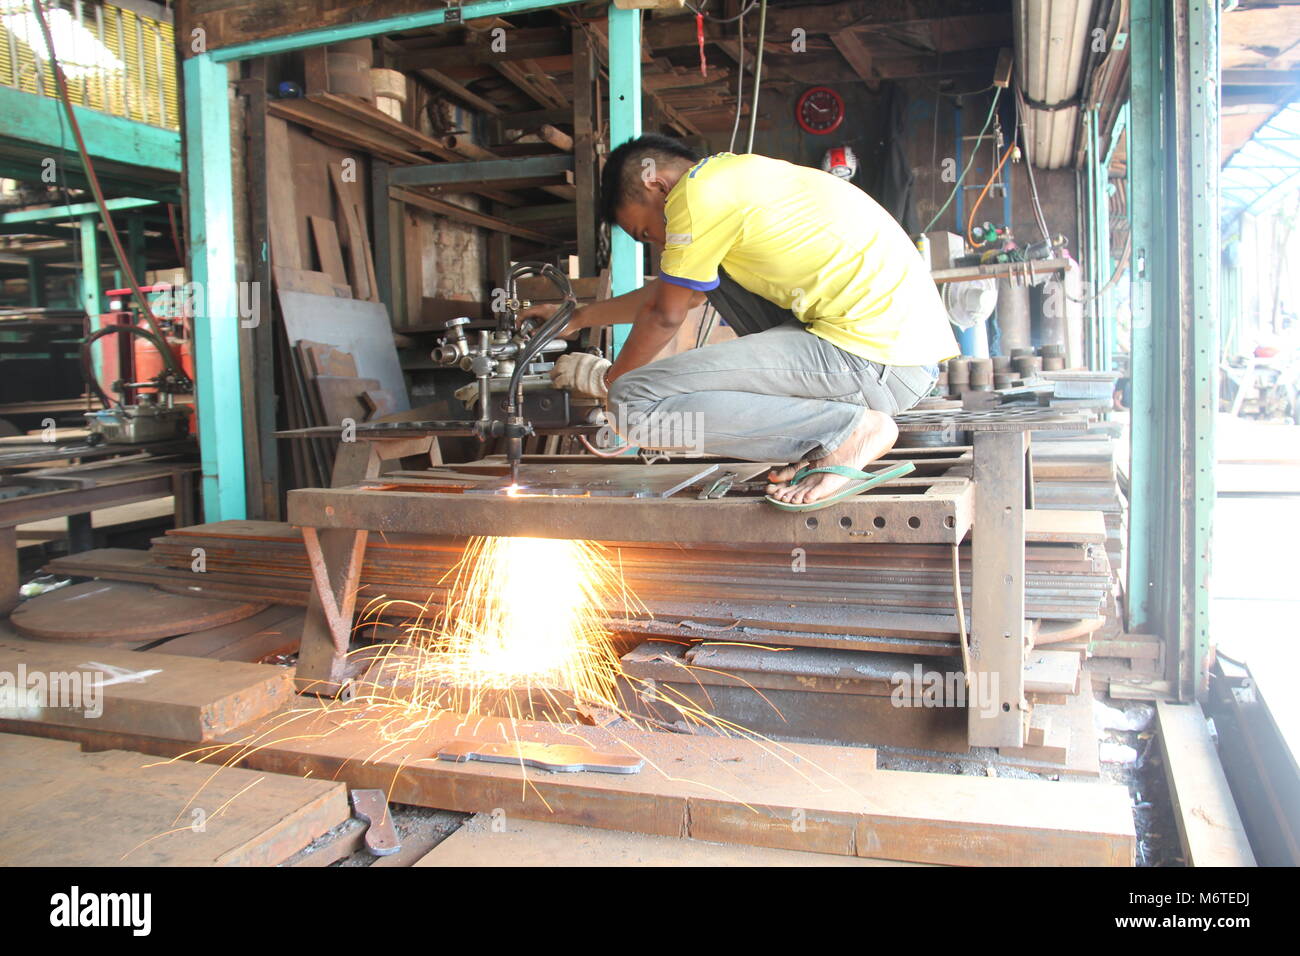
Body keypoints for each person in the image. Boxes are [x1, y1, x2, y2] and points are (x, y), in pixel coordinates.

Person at [538, 134, 959, 510]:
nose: (657, 242)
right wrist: (579, 318)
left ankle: (848, 430)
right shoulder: (734, 178)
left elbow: (664, 315)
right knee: (702, 279)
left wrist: (609, 381)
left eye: (645, 231)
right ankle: (829, 429)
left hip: (873, 360)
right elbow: (673, 296)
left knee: (632, 406)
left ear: (656, 184)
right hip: (895, 354)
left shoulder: (694, 197)